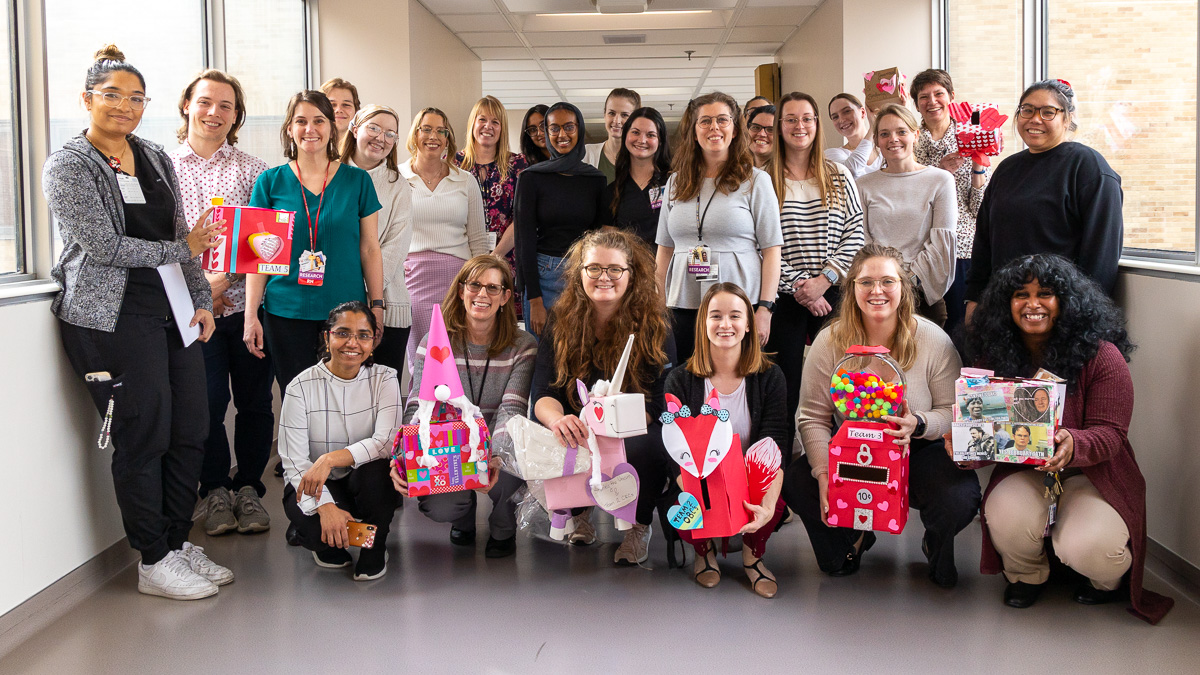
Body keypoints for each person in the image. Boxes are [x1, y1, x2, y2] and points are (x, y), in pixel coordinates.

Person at [47, 45, 232, 600]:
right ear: (86, 99)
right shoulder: (69, 166)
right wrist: (181, 247)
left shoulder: (153, 156)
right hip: (111, 318)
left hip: (172, 310)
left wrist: (200, 295)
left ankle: (176, 542)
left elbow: (184, 235)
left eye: (135, 98)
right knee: (144, 431)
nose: (125, 107)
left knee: (193, 425)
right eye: (112, 96)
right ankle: (152, 558)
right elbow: (100, 247)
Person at [961, 254, 1173, 624]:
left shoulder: (1102, 356)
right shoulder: (994, 356)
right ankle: (1028, 575)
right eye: (1020, 294)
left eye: (1045, 293)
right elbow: (991, 437)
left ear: (1067, 302)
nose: (1032, 304)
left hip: (1095, 474)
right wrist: (966, 451)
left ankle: (1105, 582)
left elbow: (1111, 435)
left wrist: (1073, 443)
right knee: (1004, 514)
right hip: (1027, 471)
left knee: (1091, 547)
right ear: (1005, 303)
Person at [781, 244, 979, 588]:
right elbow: (812, 416)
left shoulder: (933, 340)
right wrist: (825, 473)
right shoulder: (830, 341)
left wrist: (919, 423)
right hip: (851, 452)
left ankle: (935, 541)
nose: (877, 291)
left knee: (958, 496)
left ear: (903, 287)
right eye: (865, 282)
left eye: (887, 281)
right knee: (799, 482)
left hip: (916, 451)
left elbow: (955, 411)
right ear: (851, 288)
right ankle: (852, 538)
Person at [170, 69, 273, 537]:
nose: (215, 112)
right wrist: (199, 290)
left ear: (237, 115)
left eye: (226, 106)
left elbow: (263, 245)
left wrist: (223, 280)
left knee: (254, 403)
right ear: (187, 105)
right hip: (193, 313)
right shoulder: (163, 168)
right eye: (206, 102)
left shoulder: (254, 171)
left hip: (247, 309)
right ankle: (213, 491)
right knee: (206, 404)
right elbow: (161, 243)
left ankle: (249, 487)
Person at [532, 229, 675, 565]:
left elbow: (661, 400)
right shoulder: (560, 320)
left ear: (631, 274)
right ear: (580, 272)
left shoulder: (655, 324)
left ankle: (638, 524)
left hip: (636, 426)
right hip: (579, 425)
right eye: (594, 268)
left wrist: (614, 427)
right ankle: (579, 512)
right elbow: (543, 392)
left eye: (615, 269)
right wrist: (558, 420)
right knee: (562, 439)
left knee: (645, 449)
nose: (604, 277)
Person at [390, 256, 537, 558]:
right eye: (474, 285)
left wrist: (491, 459)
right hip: (448, 448)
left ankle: (502, 526)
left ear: (506, 297)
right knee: (441, 504)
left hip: (496, 443)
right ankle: (462, 517)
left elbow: (512, 410)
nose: (482, 294)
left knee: (509, 469)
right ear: (460, 291)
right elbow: (418, 406)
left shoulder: (524, 345)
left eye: (493, 288)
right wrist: (405, 456)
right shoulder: (433, 342)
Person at [243, 90, 384, 398]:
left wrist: (377, 306)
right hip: (285, 313)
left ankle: (343, 451)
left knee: (347, 399)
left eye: (319, 121)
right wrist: (250, 314)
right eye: (301, 121)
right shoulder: (270, 182)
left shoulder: (357, 181)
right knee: (296, 399)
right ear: (289, 129)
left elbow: (370, 248)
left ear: (332, 128)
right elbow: (257, 257)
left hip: (346, 314)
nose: (310, 129)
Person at [664, 283, 787, 598]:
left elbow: (776, 445)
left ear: (748, 325)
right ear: (703, 324)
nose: (725, 324)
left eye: (735, 316)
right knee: (680, 503)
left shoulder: (770, 377)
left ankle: (752, 557)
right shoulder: (680, 379)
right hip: (700, 481)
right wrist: (705, 497)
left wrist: (768, 506)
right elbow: (674, 453)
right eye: (715, 316)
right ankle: (703, 552)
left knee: (777, 499)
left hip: (750, 481)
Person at [966, 79, 1123, 322]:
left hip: (1061, 312)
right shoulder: (1007, 169)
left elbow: (1101, 253)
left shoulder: (1087, 167)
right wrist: (974, 299)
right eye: (1027, 110)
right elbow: (984, 240)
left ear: (1067, 119)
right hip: (1004, 311)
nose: (1035, 119)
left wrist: (1081, 314)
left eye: (1048, 112)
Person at [655, 91, 782, 364]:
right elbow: (665, 249)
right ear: (694, 130)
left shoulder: (756, 181)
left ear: (735, 130)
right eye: (705, 121)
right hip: (682, 302)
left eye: (723, 120)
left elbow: (772, 251)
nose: (714, 127)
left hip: (736, 306)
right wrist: (658, 305)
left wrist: (765, 309)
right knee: (686, 381)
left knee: (735, 380)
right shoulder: (676, 183)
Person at [278, 302, 402, 581]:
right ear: (327, 337)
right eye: (343, 333)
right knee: (316, 534)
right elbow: (294, 461)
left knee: (379, 471)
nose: (353, 343)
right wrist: (325, 506)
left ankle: (374, 545)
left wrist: (330, 458)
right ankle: (337, 538)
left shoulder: (385, 379)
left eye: (363, 335)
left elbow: (386, 442)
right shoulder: (300, 387)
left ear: (374, 340)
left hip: (363, 482)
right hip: (318, 484)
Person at [765, 91, 865, 440]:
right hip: (784, 296)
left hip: (834, 292)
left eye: (806, 118)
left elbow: (856, 230)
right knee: (784, 383)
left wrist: (825, 279)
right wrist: (801, 287)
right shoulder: (763, 179)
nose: (799, 126)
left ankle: (843, 455)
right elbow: (760, 244)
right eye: (790, 119)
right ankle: (777, 462)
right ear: (779, 127)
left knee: (841, 382)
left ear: (817, 124)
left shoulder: (837, 173)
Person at [399, 107, 489, 371]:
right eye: (426, 128)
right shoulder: (397, 177)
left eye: (441, 130)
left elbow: (478, 239)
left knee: (460, 358)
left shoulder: (465, 180)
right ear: (415, 135)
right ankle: (422, 412)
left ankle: (462, 412)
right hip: (413, 279)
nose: (433, 135)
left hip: (458, 281)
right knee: (421, 359)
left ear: (448, 139)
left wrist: (479, 283)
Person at [856, 104, 957, 326]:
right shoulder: (863, 185)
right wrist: (884, 282)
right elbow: (861, 240)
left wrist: (906, 281)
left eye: (901, 131)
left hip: (922, 292)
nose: (893, 139)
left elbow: (941, 243)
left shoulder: (940, 181)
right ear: (877, 141)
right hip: (876, 293)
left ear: (915, 134)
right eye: (884, 134)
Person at [514, 101, 607, 336]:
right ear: (546, 132)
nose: (562, 135)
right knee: (542, 358)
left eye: (569, 127)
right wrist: (534, 298)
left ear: (580, 129)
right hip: (544, 277)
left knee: (582, 354)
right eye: (554, 128)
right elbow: (524, 240)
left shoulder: (595, 179)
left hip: (583, 275)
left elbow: (600, 238)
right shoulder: (531, 178)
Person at [910, 69, 989, 335]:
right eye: (924, 97)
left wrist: (978, 167)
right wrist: (938, 170)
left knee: (961, 324)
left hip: (961, 246)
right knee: (920, 325)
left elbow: (979, 209)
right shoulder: (909, 141)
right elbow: (907, 195)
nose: (932, 101)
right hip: (919, 247)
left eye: (939, 94)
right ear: (916, 103)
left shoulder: (970, 135)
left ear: (951, 97)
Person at [340, 105, 413, 373]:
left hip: (388, 306)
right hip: (337, 305)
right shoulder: (330, 176)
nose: (381, 138)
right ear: (355, 128)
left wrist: (364, 293)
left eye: (390, 134)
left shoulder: (399, 186)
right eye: (374, 128)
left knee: (383, 400)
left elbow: (394, 250)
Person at [455, 95, 529, 318]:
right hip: (464, 261)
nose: (488, 126)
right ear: (472, 124)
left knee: (506, 328)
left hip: (508, 262)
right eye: (482, 120)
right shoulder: (453, 164)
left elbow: (523, 217)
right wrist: (476, 262)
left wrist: (495, 257)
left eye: (495, 122)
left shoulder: (518, 164)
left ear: (502, 128)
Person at [601, 106, 671, 249]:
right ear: (625, 135)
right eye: (635, 132)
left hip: (668, 268)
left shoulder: (674, 184)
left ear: (660, 141)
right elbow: (609, 245)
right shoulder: (612, 192)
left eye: (651, 135)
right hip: (628, 269)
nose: (642, 140)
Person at [583, 87, 641, 183]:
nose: (616, 121)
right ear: (604, 115)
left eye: (624, 115)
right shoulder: (586, 154)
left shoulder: (642, 159)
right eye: (611, 113)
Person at [826, 94, 881, 177]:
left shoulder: (885, 148)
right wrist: (873, 128)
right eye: (835, 117)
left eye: (847, 111)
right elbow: (851, 171)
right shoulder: (831, 154)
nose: (841, 120)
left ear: (863, 112)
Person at [320, 77, 360, 148]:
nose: (339, 110)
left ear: (356, 110)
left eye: (346, 105)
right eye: (332, 105)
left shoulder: (365, 151)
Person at [746, 104, 775, 169]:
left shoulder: (788, 175)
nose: (761, 134)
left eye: (770, 129)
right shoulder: (738, 169)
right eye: (756, 127)